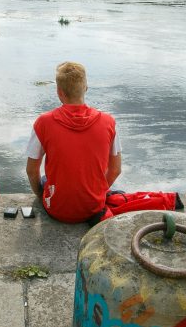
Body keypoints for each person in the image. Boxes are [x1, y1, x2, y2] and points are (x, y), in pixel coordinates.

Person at [26, 61, 121, 224]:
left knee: (43, 179)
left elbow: (31, 170)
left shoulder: (43, 122)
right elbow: (115, 170)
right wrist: (97, 192)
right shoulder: (108, 123)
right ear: (86, 88)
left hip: (56, 209)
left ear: (59, 92)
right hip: (93, 208)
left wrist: (41, 196)